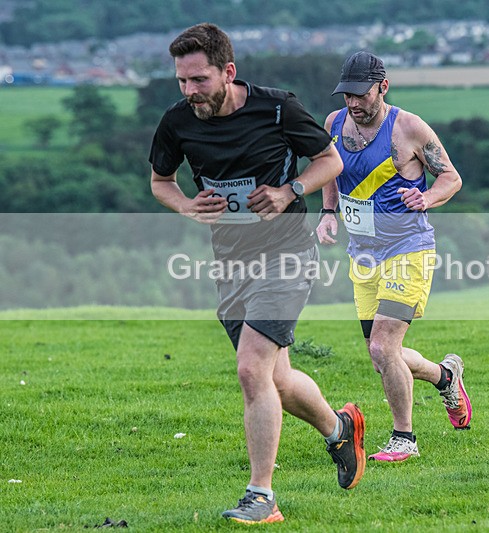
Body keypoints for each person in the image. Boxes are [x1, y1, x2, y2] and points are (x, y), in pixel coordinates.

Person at [149, 23, 365, 524]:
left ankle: (261, 495)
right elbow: (161, 182)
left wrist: (290, 191)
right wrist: (188, 206)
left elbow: (328, 161)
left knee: (251, 368)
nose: (189, 91)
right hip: (231, 262)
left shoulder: (277, 108)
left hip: (287, 254)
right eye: (181, 81)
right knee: (278, 380)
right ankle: (339, 428)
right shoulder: (178, 121)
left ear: (228, 71)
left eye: (199, 80)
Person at [315, 51, 471, 463]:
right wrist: (328, 212)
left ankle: (405, 438)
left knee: (385, 348)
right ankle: (445, 376)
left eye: (361, 95)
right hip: (363, 255)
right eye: (346, 95)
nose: (353, 103)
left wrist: (427, 197)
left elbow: (451, 178)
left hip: (408, 249)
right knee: (381, 355)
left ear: (383, 87)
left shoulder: (409, 128)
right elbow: (328, 169)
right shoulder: (333, 124)